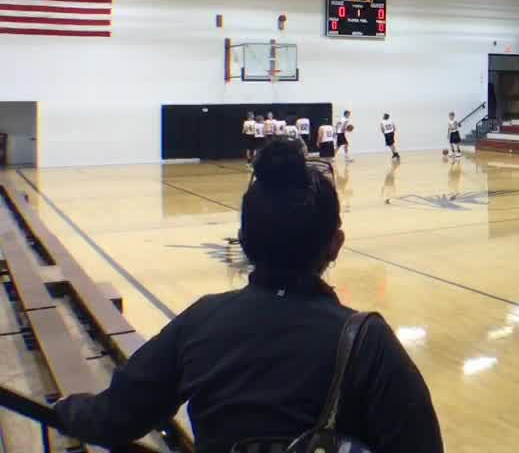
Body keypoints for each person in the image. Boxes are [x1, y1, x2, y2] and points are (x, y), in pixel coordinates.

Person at [53, 140, 444, 451]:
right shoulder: (367, 342)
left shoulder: (202, 321)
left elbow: (113, 417)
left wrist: (63, 409)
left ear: (243, 242)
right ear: (335, 244)